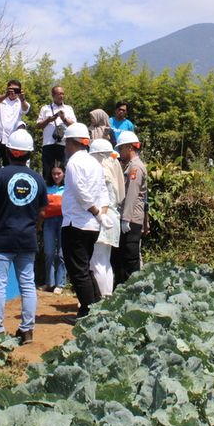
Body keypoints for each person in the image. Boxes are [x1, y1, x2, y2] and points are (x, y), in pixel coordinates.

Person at [0, 129, 47, 344]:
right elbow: (43, 212)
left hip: (1, 239)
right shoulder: (38, 178)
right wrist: (34, 229)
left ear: (8, 151)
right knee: (28, 284)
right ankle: (27, 331)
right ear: (29, 154)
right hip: (26, 239)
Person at [60, 123, 108, 320]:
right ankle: (93, 307)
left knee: (77, 270)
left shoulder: (73, 163)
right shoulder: (94, 163)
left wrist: (97, 211)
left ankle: (88, 312)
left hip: (76, 223)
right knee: (84, 267)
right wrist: (102, 213)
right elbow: (103, 192)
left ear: (71, 142)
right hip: (92, 225)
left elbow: (80, 192)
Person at [89, 139, 124, 297]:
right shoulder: (114, 167)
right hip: (113, 217)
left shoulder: (103, 170)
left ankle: (102, 297)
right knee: (105, 261)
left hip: (103, 217)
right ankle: (107, 295)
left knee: (97, 262)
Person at [113, 130, 147, 286]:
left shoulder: (135, 168)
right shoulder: (131, 166)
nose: (120, 152)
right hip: (130, 217)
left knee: (130, 258)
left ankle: (132, 293)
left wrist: (125, 219)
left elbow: (133, 195)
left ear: (129, 147)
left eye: (121, 148)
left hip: (131, 219)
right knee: (122, 259)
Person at [35, 86, 76, 185]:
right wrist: (49, 119)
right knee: (47, 170)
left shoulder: (68, 109)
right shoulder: (45, 108)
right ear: (53, 95)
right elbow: (38, 125)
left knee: (63, 170)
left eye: (63, 93)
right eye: (59, 94)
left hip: (63, 144)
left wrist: (64, 119)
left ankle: (62, 192)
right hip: (48, 144)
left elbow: (75, 125)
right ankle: (48, 193)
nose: (61, 96)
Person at [0, 80, 30, 165]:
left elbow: (25, 109)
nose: (13, 92)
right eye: (11, 89)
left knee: (8, 164)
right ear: (7, 89)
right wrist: (6, 95)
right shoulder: (0, 98)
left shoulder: (21, 102)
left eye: (16, 90)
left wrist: (22, 99)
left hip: (10, 140)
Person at [41, 164, 66, 294]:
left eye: (59, 173)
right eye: (54, 174)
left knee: (62, 253)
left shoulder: (68, 188)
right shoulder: (47, 188)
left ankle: (60, 284)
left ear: (64, 173)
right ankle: (49, 282)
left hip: (64, 221)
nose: (56, 176)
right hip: (49, 221)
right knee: (49, 252)